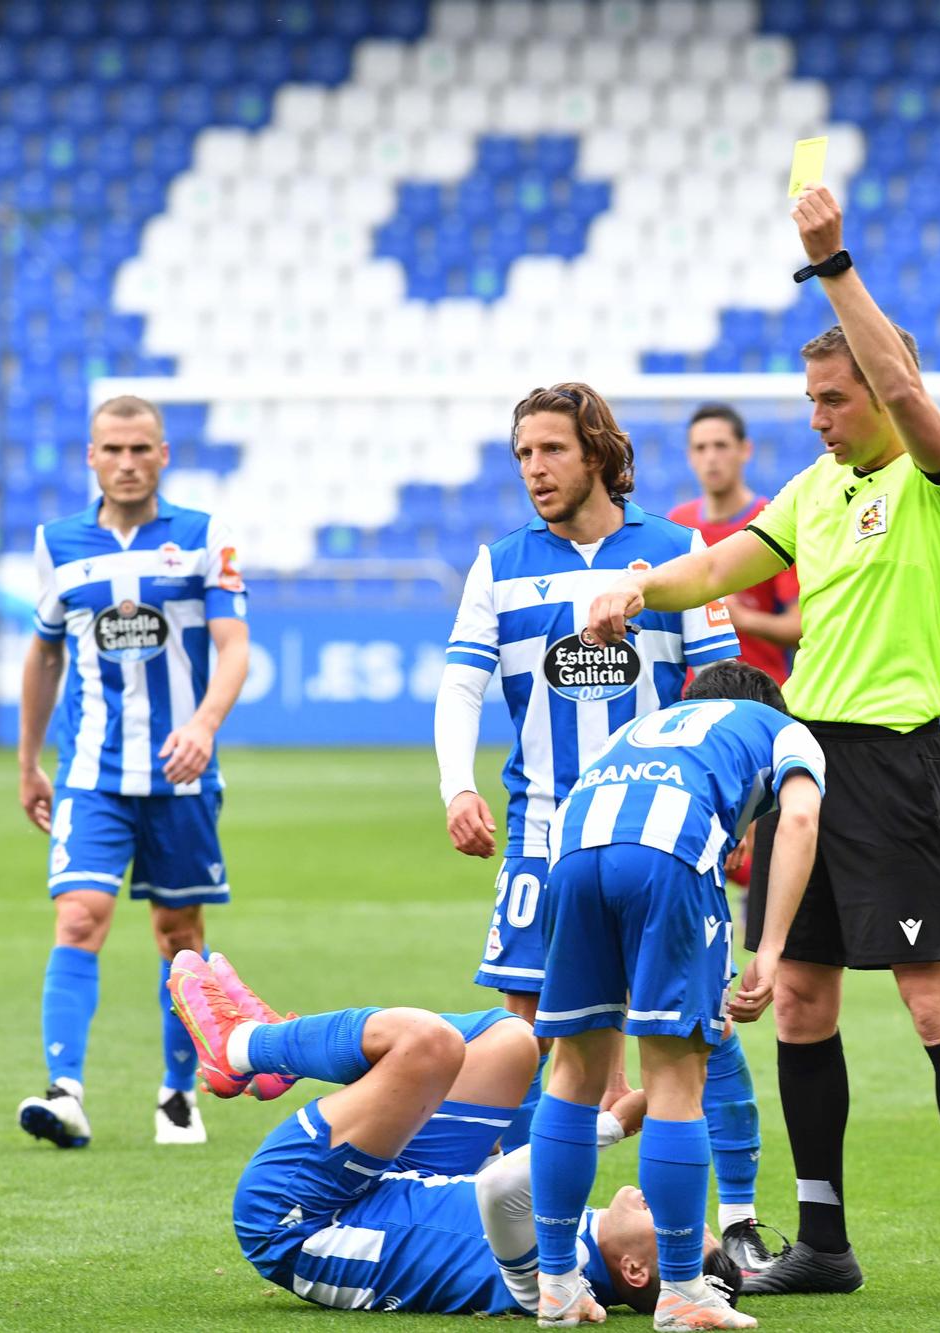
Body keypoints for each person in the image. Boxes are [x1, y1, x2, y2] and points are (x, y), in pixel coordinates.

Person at [585, 186, 940, 1305]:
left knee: (932, 998)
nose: (816, 417)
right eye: (809, 399)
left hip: (894, 759)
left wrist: (832, 263)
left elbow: (911, 390)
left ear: (879, 389)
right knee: (799, 1001)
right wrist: (635, 585)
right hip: (802, 756)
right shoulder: (814, 489)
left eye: (831, 398)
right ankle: (822, 1238)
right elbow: (719, 565)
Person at [433, 384, 781, 1275]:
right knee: (524, 1026)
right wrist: (454, 786)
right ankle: (531, 1223)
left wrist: (727, 815)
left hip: (658, 829)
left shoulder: (675, 554)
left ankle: (733, 1221)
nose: (533, 470)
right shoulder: (501, 563)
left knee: (698, 1026)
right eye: (521, 455)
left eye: (549, 450)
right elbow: (461, 685)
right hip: (543, 831)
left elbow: (717, 689)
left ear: (596, 452)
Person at [164, 950, 743, 1317]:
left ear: (636, 1271)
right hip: (402, 1182)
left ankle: (243, 1048)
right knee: (512, 1042)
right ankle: (280, 1053)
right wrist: (692, 1054)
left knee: (427, 1045)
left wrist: (616, 1123)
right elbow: (511, 1161)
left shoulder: (558, 1278)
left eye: (678, 1230)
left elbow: (502, 1189)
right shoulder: (587, 1241)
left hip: (296, 1217)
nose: (669, 1208)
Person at [529, 660, 824, 1330]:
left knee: (571, 1073)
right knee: (676, 1080)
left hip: (570, 850)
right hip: (667, 853)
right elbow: (801, 820)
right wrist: (771, 949)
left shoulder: (647, 727)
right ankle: (684, 1287)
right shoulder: (785, 728)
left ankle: (556, 1282)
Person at [13, 395, 250, 1149]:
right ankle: (66, 1092)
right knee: (80, 914)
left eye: (140, 448)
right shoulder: (59, 543)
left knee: (177, 933)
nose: (126, 462)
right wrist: (28, 760)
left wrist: (205, 724)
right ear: (91, 456)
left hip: (180, 773)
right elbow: (45, 651)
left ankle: (178, 1094)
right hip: (90, 772)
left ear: (163, 454)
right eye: (112, 448)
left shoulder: (203, 537)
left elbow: (235, 643)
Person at [667, 404, 801, 687]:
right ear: (690, 456)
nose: (711, 458)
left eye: (721, 446)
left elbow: (802, 627)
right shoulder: (678, 523)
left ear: (745, 450)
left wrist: (740, 617)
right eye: (701, 448)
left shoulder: (774, 520)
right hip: (694, 694)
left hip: (760, 692)